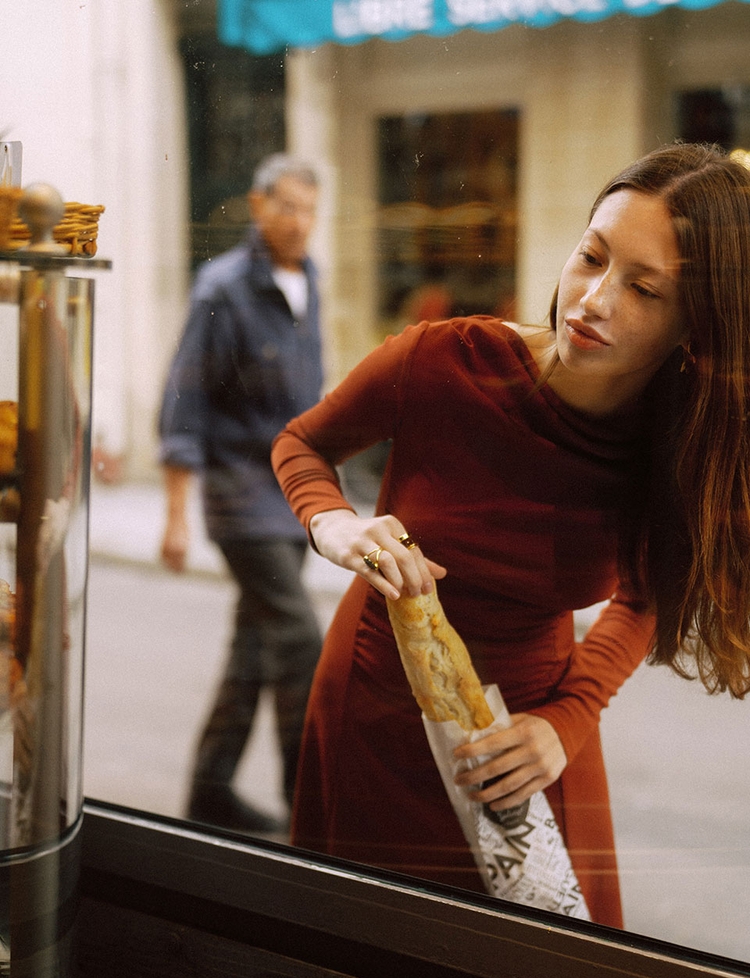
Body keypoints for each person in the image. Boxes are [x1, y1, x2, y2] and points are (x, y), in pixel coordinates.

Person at [271, 142, 750, 925]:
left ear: (693, 327)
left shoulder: (679, 443)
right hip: (377, 708)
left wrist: (567, 721)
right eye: (590, 256)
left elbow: (651, 592)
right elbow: (301, 444)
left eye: (643, 288)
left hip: (533, 736)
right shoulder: (441, 360)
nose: (593, 300)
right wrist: (332, 526)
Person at [159, 153, 324, 834]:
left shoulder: (310, 277)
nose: (299, 222)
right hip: (238, 498)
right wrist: (175, 517)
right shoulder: (220, 287)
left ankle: (209, 791)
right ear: (257, 207)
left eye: (311, 209)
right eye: (286, 206)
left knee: (254, 651)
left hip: (289, 496)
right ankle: (307, 805)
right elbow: (182, 409)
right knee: (300, 640)